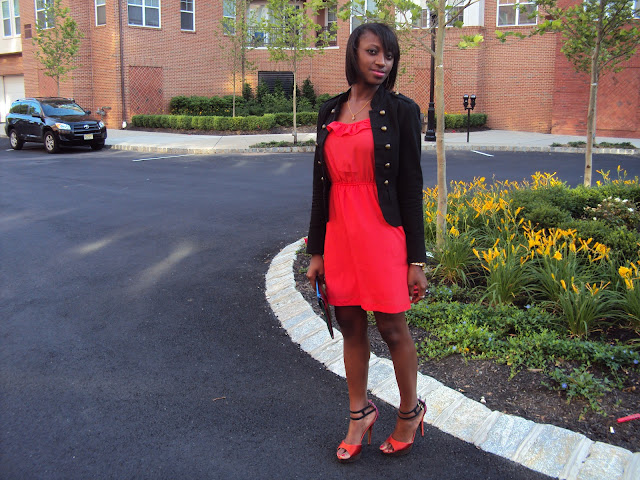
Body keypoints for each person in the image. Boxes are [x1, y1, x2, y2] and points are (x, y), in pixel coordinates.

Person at [306, 22, 428, 463]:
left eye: (389, 56)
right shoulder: (330, 111)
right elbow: (322, 187)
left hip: (382, 232)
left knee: (393, 327)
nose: (382, 62)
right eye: (374, 52)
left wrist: (417, 258)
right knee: (351, 325)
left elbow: (411, 186)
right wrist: (316, 251)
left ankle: (410, 412)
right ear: (354, 53)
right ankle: (359, 414)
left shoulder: (401, 111)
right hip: (340, 232)